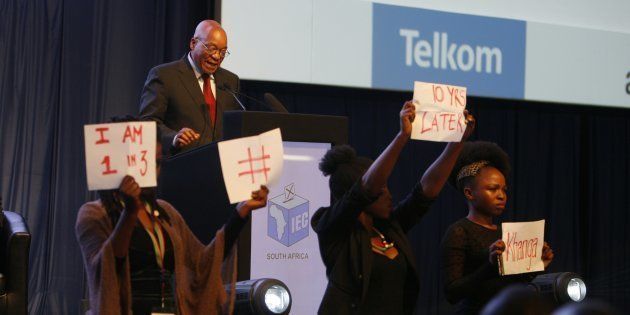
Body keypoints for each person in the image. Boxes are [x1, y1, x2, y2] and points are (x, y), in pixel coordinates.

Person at [76, 119, 268, 315]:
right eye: (144, 161)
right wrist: (130, 213)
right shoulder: (95, 214)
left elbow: (203, 262)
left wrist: (240, 213)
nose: (152, 170)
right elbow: (105, 270)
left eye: (157, 163)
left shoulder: (165, 212)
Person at [311, 101, 475, 314]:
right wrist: (402, 136)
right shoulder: (334, 230)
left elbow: (426, 190)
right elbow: (365, 188)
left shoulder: (389, 228)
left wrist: (457, 141)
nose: (389, 195)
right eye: (381, 190)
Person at [440, 141, 555, 314]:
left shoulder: (505, 233)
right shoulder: (459, 231)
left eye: (504, 189)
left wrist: (537, 266)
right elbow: (452, 293)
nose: (501, 195)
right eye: (493, 189)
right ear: (469, 193)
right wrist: (489, 266)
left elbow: (511, 284)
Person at [140, 20, 241, 155]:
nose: (217, 56)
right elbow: (147, 123)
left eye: (223, 52)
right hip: (179, 167)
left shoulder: (230, 81)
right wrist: (174, 137)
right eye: (211, 48)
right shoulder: (165, 76)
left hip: (218, 169)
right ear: (193, 43)